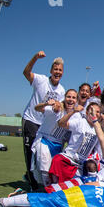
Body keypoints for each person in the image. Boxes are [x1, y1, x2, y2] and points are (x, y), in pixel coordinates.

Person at [22, 51, 66, 191]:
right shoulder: (41, 80)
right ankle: (33, 185)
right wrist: (35, 57)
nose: (57, 72)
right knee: (30, 152)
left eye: (60, 70)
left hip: (46, 126)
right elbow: (26, 72)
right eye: (55, 69)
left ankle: (35, 177)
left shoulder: (61, 90)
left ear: (62, 73)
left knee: (42, 154)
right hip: (31, 120)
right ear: (51, 70)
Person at [30, 89, 78, 187]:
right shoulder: (57, 108)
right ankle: (45, 191)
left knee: (53, 173)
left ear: (76, 100)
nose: (71, 100)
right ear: (64, 98)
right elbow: (36, 108)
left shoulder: (76, 115)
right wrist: (46, 103)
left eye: (73, 97)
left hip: (58, 145)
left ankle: (50, 191)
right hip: (45, 140)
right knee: (45, 171)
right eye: (68, 97)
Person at [48, 102, 102, 183]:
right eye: (92, 111)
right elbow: (61, 123)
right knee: (57, 160)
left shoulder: (98, 128)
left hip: (82, 163)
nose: (95, 113)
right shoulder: (80, 122)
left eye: (97, 112)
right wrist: (73, 111)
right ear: (87, 113)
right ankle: (53, 188)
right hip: (69, 157)